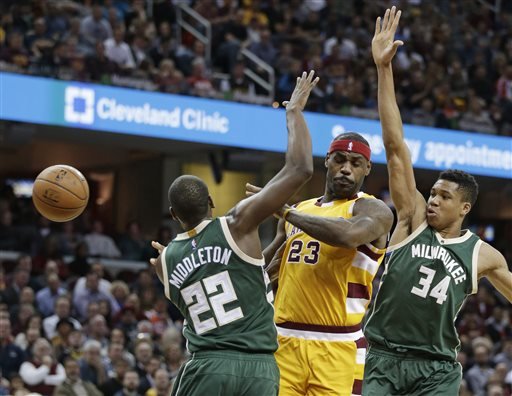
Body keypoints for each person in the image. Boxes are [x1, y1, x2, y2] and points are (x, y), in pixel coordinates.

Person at [363, 7, 512, 395]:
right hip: (382, 358)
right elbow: (395, 148)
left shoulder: (483, 254)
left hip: (437, 369)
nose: (432, 200)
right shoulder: (411, 218)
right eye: (432, 192)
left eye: (444, 197)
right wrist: (383, 69)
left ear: (464, 208)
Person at [150, 71, 318, 396]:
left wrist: (165, 262)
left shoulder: (166, 261)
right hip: (259, 369)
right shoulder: (237, 222)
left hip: (208, 367)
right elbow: (300, 168)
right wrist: (294, 112)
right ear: (212, 201)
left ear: (173, 215)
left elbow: (237, 275)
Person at [247, 106, 394, 394]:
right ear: (327, 160)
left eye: (355, 162)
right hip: (283, 339)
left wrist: (285, 213)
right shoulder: (300, 209)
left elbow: (349, 236)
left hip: (337, 345)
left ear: (367, 168)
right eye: (339, 160)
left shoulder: (371, 209)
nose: (346, 169)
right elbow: (268, 268)